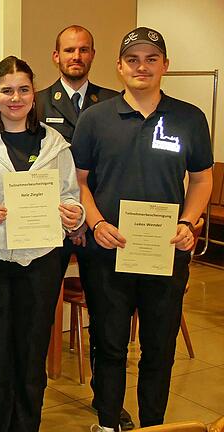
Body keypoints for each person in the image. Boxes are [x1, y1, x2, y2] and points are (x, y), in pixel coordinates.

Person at [72, 27, 213, 431]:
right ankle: (107, 423)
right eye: (133, 59)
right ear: (119, 67)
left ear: (165, 66)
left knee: (159, 349)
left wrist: (188, 222)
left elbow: (202, 180)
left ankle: (154, 424)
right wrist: (95, 223)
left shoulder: (189, 118)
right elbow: (79, 181)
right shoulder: (94, 119)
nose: (142, 67)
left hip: (165, 252)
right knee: (110, 346)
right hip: (107, 253)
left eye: (152, 59)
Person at [0, 55, 84, 432]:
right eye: (7, 90)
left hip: (43, 260)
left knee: (31, 356)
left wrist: (74, 214)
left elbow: (71, 195)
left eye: (23, 89)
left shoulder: (55, 144)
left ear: (34, 94)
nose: (15, 97)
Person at [35, 25, 133, 430]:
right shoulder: (36, 102)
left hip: (99, 227)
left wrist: (87, 219)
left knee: (107, 318)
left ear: (94, 55)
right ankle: (32, 393)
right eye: (68, 50)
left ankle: (107, 400)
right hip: (46, 227)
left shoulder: (113, 102)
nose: (76, 56)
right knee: (39, 315)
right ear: (55, 56)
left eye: (84, 50)